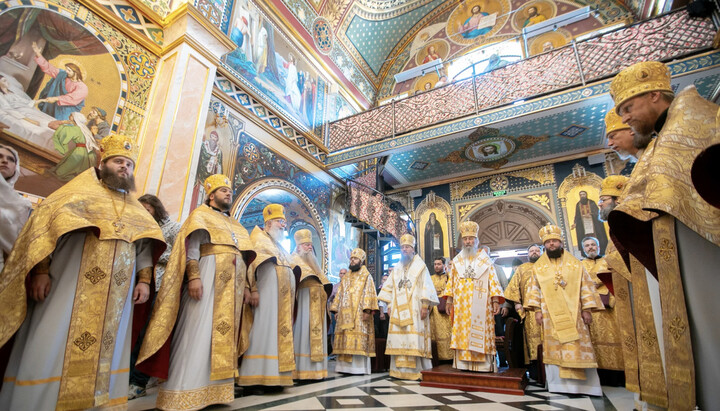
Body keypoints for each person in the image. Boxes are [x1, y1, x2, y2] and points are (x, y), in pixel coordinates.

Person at [0, 134, 164, 410]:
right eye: (119, 162)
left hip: (117, 297)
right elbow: (44, 234)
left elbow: (143, 248)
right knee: (52, 341)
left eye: (129, 164)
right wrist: (41, 271)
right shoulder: (72, 195)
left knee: (108, 350)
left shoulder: (137, 210)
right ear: (102, 163)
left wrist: (145, 280)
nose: (125, 168)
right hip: (67, 286)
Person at [608, 61, 720, 408]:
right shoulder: (659, 141)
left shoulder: (695, 123)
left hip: (702, 252)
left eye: (628, 108)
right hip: (672, 258)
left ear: (655, 95)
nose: (623, 119)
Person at [137, 174, 254, 409]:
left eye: (229, 191)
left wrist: (244, 287)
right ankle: (183, 391)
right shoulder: (200, 215)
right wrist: (194, 277)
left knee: (219, 334)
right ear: (211, 196)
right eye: (223, 191)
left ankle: (215, 392)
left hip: (230, 286)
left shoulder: (236, 225)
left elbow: (242, 256)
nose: (228, 194)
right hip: (207, 277)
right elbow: (191, 249)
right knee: (197, 330)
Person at [597, 175, 658, 410]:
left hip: (643, 296)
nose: (600, 205)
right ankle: (643, 399)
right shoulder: (617, 228)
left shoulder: (628, 224)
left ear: (617, 199)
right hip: (631, 297)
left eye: (603, 200)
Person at [525, 224, 603, 396]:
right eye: (548, 242)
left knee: (576, 346)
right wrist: (537, 310)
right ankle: (559, 386)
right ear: (544, 245)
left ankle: (586, 387)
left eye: (554, 241)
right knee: (556, 347)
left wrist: (587, 309)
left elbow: (585, 287)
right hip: (549, 315)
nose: (552, 244)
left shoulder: (575, 264)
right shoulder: (539, 267)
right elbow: (534, 290)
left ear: (561, 242)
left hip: (575, 314)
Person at [237, 204, 299, 391]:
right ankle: (255, 377)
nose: (284, 226)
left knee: (277, 334)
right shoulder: (258, 238)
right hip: (264, 300)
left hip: (280, 302)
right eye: (281, 222)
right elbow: (248, 265)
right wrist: (252, 289)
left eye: (285, 222)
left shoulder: (278, 246)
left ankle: (276, 377)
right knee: (262, 332)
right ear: (269, 222)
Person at [128, 194, 181, 399]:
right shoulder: (140, 226)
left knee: (148, 333)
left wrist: (154, 255)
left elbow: (179, 255)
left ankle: (138, 380)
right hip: (137, 283)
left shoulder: (173, 228)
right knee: (134, 330)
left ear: (156, 208)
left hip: (161, 285)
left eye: (148, 210)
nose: (144, 213)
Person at [444, 222, 503, 372]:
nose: (468, 241)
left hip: (482, 305)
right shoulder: (457, 260)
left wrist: (495, 300)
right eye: (465, 239)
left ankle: (483, 366)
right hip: (461, 305)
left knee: (481, 331)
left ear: (477, 241)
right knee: (464, 332)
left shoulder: (485, 260)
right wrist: (449, 300)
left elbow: (493, 280)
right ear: (462, 242)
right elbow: (451, 282)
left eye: (471, 239)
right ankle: (463, 364)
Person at [378, 234, 438, 380]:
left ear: (413, 249)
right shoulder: (397, 267)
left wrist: (425, 305)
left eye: (407, 247)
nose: (404, 250)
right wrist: (389, 305)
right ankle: (398, 371)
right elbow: (389, 288)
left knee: (413, 338)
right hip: (398, 310)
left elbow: (427, 286)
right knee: (399, 339)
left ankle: (417, 371)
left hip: (415, 309)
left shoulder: (420, 266)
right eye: (402, 247)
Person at [580, 236, 625, 385]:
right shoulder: (579, 265)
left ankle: (619, 376)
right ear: (583, 249)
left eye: (593, 244)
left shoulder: (608, 261)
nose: (590, 247)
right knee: (595, 343)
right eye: (587, 246)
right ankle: (601, 377)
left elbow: (617, 278)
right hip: (591, 310)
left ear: (598, 247)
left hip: (609, 308)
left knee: (615, 339)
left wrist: (598, 282)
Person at [329, 248, 378, 375]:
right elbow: (339, 294)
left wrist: (367, 310)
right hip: (344, 313)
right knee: (344, 337)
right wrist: (336, 310)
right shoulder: (346, 277)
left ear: (361, 261)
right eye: (351, 259)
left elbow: (369, 292)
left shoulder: (366, 275)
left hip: (359, 314)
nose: (352, 261)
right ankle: (343, 367)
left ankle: (358, 368)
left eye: (355, 259)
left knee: (357, 335)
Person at [291, 229, 332, 380]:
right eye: (306, 245)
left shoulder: (316, 266)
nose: (309, 247)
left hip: (317, 308)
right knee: (303, 335)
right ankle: (302, 370)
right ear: (298, 247)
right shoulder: (293, 260)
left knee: (315, 336)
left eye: (310, 245)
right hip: (303, 306)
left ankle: (317, 371)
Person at [503, 244, 543, 370]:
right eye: (532, 251)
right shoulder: (522, 268)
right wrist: (517, 303)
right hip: (530, 310)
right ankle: (535, 370)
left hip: (550, 309)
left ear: (542, 252)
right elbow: (513, 287)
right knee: (532, 340)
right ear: (528, 254)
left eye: (537, 250)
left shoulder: (548, 266)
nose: (534, 252)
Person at [32, 42, 88, 121]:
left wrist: (56, 98)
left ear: (75, 72)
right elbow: (48, 67)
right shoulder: (62, 74)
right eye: (66, 69)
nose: (66, 71)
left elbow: (72, 98)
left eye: (69, 70)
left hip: (66, 110)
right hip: (52, 106)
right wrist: (38, 54)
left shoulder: (82, 87)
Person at [0, 144, 31, 273]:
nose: (5, 161)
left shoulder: (23, 204)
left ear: (15, 168)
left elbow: (21, 241)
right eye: (0, 157)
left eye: (11, 159)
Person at [47, 111, 99, 181]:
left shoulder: (75, 129)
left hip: (80, 153)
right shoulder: (85, 129)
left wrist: (64, 122)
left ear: (75, 119)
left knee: (60, 173)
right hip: (91, 155)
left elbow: (51, 125)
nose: (69, 116)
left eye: (71, 115)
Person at [429, 257, 452, 365]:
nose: (436, 266)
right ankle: (437, 357)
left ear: (444, 265)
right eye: (435, 264)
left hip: (445, 308)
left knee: (448, 333)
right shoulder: (430, 278)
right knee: (435, 334)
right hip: (434, 310)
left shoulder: (449, 276)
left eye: (439, 264)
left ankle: (449, 356)